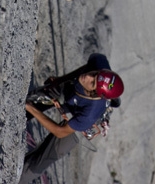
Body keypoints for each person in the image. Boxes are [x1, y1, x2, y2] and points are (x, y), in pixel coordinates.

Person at [19, 53, 124, 183]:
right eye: (94, 74)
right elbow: (85, 70)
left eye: (92, 83)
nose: (88, 77)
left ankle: (15, 178)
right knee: (42, 94)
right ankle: (21, 113)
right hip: (73, 94)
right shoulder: (99, 64)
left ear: (94, 94)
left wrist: (31, 108)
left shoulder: (89, 114)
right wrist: (60, 79)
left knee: (38, 163)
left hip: (83, 125)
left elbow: (60, 131)